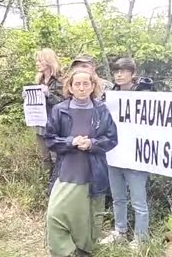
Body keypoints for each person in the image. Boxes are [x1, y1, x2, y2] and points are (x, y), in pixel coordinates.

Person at [44, 68, 118, 257]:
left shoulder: (101, 110)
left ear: (93, 86)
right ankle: (65, 251)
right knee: (54, 215)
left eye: (86, 83)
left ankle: (83, 251)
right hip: (68, 171)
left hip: (93, 173)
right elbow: (50, 139)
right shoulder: (60, 109)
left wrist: (92, 143)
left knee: (87, 219)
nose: (82, 88)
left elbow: (111, 139)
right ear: (70, 86)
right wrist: (71, 142)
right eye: (77, 84)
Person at [99, 57, 154, 249]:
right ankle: (119, 231)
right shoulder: (109, 96)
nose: (119, 75)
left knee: (139, 201)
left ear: (133, 74)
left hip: (136, 157)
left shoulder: (144, 94)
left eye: (123, 71)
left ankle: (141, 238)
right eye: (116, 72)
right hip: (114, 155)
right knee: (118, 198)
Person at [30, 48, 64, 193]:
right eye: (36, 60)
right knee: (45, 157)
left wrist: (48, 94)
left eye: (40, 60)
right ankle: (46, 186)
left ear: (49, 61)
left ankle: (57, 189)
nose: (37, 63)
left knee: (57, 157)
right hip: (40, 123)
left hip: (54, 125)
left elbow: (64, 103)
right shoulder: (38, 79)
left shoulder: (60, 79)